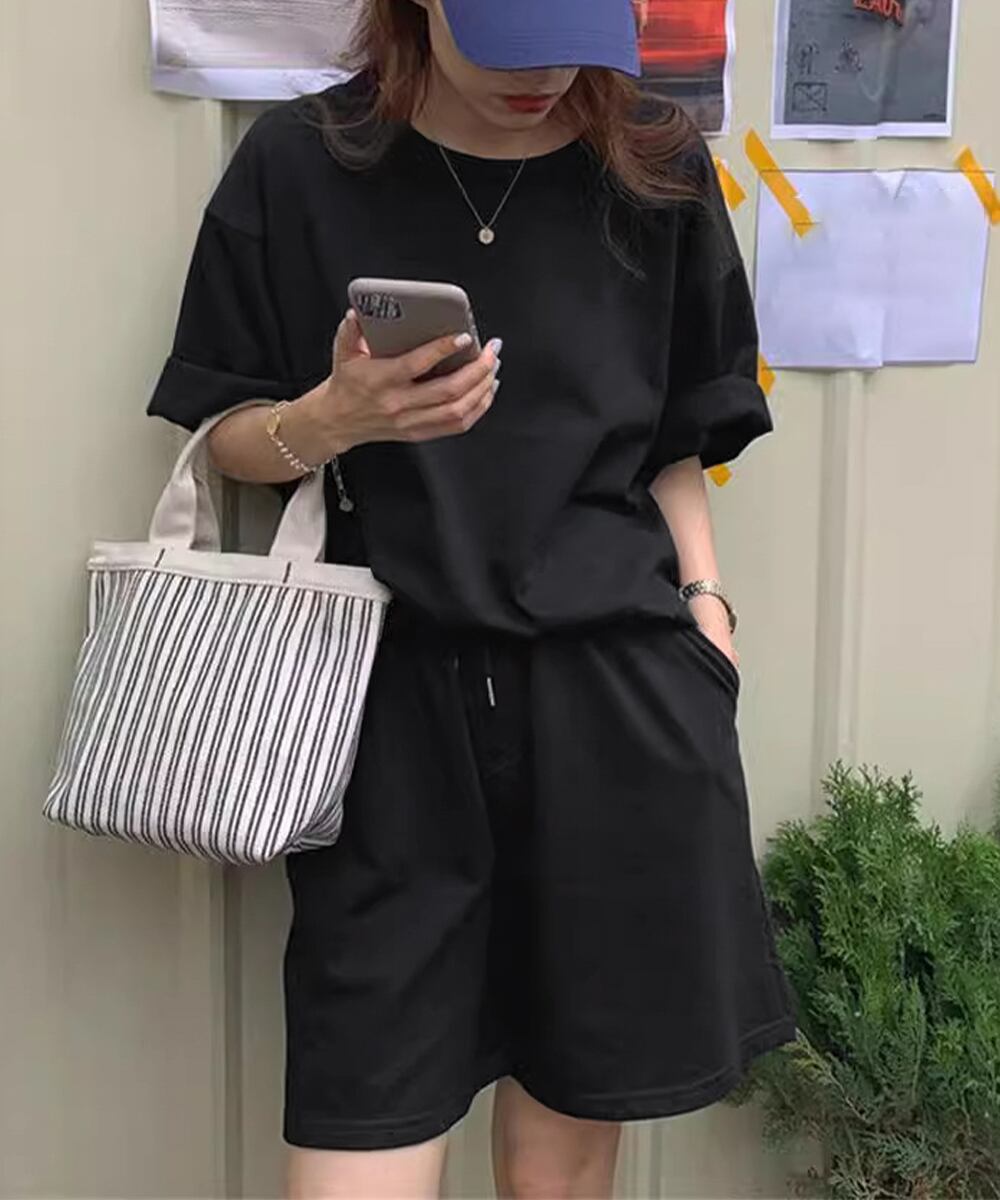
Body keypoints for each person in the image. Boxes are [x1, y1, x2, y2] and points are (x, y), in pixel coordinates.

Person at [147, 2, 799, 1196]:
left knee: (557, 1172)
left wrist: (707, 610)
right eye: (509, 33)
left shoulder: (651, 164)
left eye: (569, 34)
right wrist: (333, 419)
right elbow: (222, 431)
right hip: (384, 712)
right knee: (358, 1145)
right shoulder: (300, 165)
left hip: (615, 704)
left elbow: (674, 439)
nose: (542, 73)